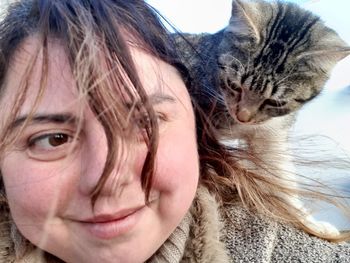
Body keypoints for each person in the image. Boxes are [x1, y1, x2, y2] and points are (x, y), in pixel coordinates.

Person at [0, 0, 349, 262]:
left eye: (147, 121)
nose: (243, 115)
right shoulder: (205, 65)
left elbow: (272, 157)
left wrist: (301, 218)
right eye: (53, 138)